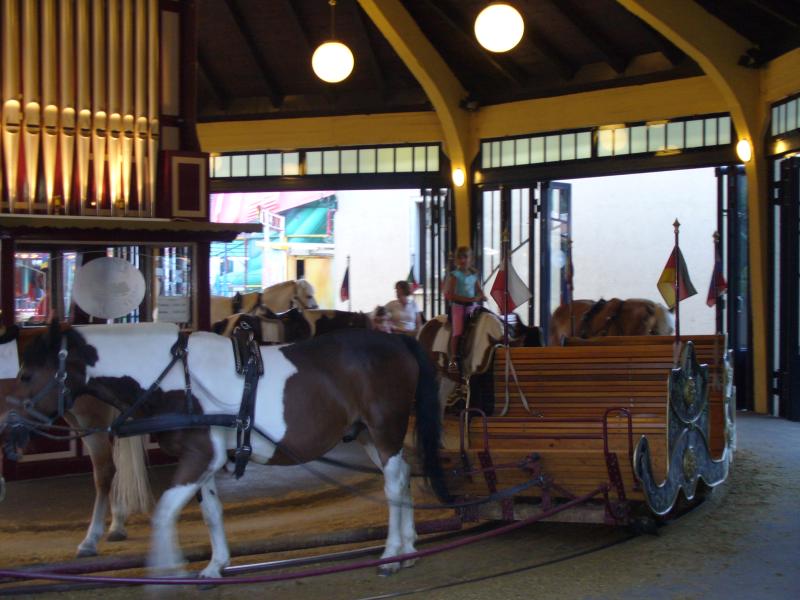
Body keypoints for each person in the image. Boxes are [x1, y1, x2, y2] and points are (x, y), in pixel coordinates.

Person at [444, 246, 486, 373]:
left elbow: (479, 291)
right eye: (460, 258)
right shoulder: (455, 275)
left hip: (471, 306)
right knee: (458, 331)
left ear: (470, 259)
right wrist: (470, 299)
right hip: (458, 306)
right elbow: (451, 295)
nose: (463, 260)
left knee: (479, 326)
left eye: (465, 257)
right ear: (456, 260)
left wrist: (481, 296)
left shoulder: (474, 275)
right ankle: (453, 359)